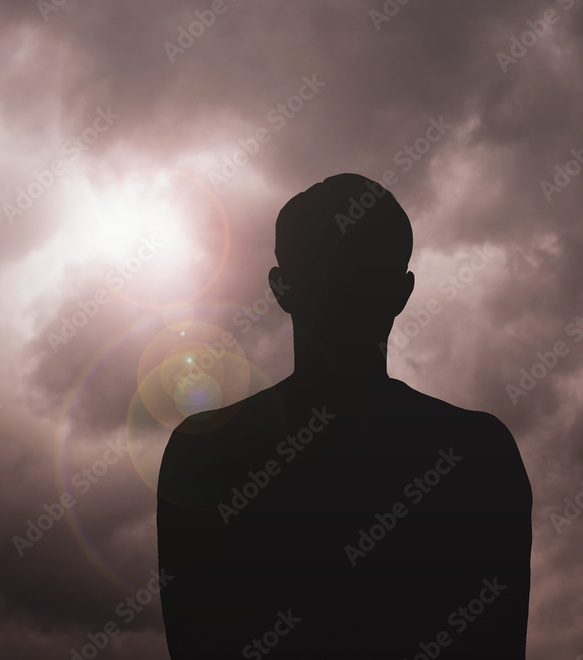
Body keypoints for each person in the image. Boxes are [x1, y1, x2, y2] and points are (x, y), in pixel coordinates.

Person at [157, 173, 532, 658]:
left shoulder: (203, 451)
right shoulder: (479, 454)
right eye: (332, 269)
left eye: (358, 270)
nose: (343, 287)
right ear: (402, 293)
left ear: (281, 288)